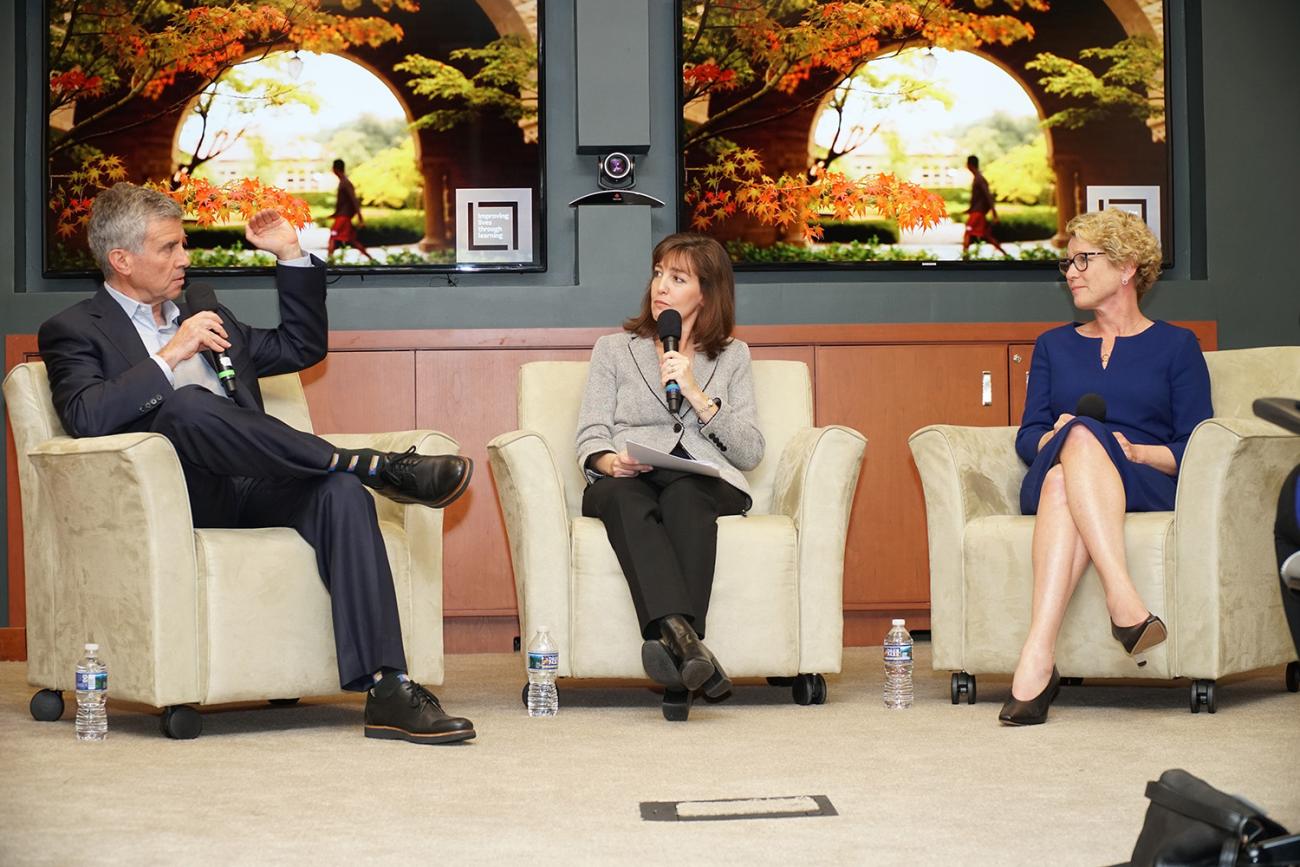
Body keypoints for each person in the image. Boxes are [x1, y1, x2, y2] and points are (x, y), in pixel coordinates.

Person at [38, 182, 474, 745]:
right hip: (175, 496)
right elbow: (85, 416)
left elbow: (300, 347)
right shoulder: (74, 329)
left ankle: (388, 689)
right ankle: (370, 464)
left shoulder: (203, 307)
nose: (185, 259)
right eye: (169, 248)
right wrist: (171, 355)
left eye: (183, 245)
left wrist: (290, 256)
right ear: (121, 260)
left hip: (256, 481)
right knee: (187, 406)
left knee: (341, 494)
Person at [1000, 208, 1213, 726]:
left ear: (1126, 267)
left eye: (1083, 259)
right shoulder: (1054, 344)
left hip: (1140, 480)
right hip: (1062, 462)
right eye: (1067, 262)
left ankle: (1037, 658)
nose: (1070, 272)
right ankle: (1126, 604)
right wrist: (1061, 435)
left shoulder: (1178, 346)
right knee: (1074, 441)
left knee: (1060, 483)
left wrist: (1135, 452)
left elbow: (1196, 447)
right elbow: (1029, 436)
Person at [575, 233, 764, 711]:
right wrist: (610, 462)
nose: (661, 286)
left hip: (701, 480)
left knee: (685, 494)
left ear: (707, 292)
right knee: (619, 497)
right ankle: (688, 649)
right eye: (659, 273)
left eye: (677, 278)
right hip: (629, 474)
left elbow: (750, 451)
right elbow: (591, 432)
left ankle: (675, 649)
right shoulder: (613, 350)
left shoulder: (733, 355)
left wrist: (697, 394)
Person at [327, 159, 374, 261]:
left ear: (335, 169)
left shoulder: (345, 183)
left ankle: (329, 263)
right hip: (343, 217)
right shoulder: (344, 182)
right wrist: (335, 213)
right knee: (352, 240)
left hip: (343, 218)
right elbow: (344, 203)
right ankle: (371, 259)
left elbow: (354, 200)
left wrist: (360, 218)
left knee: (332, 237)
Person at [962, 155, 1009, 258]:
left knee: (968, 233)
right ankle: (1006, 255)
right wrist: (970, 209)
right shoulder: (978, 178)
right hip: (978, 212)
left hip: (977, 214)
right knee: (987, 235)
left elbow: (988, 196)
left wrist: (994, 213)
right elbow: (979, 198)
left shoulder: (979, 179)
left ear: (969, 165)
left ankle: (965, 258)